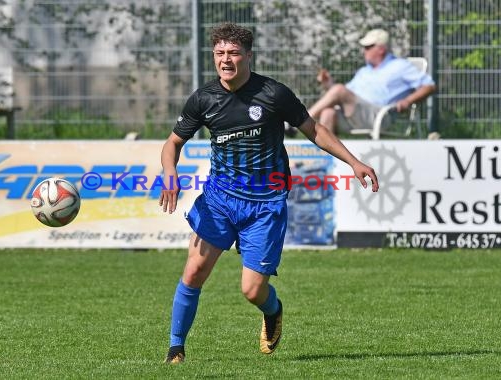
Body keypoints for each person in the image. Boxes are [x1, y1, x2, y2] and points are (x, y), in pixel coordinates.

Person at [159, 22, 379, 364]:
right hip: (219, 200)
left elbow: (315, 129)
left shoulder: (273, 94)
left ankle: (273, 310)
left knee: (252, 290)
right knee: (194, 272)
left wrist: (354, 161)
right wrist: (170, 173)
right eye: (219, 54)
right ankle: (176, 348)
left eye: (233, 53)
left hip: (265, 204)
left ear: (248, 55)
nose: (226, 60)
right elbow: (173, 144)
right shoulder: (204, 99)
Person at [306, 29, 438, 139]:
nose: (364, 51)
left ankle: (299, 121)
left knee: (339, 90)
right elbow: (344, 96)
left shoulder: (400, 66)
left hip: (379, 115)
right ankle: (327, 163)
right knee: (328, 113)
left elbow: (430, 86)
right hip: (357, 114)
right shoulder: (364, 71)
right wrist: (328, 84)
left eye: (368, 47)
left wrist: (408, 101)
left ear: (381, 49)